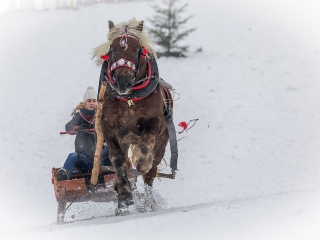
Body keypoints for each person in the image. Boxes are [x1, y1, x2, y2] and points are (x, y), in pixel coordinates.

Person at [56, 86, 111, 181]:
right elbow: (69, 126)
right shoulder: (79, 116)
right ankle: (64, 176)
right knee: (72, 156)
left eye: (94, 100)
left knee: (112, 148)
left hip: (104, 159)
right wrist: (75, 128)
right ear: (84, 103)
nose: (92, 103)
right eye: (89, 101)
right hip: (87, 161)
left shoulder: (103, 115)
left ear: (97, 102)